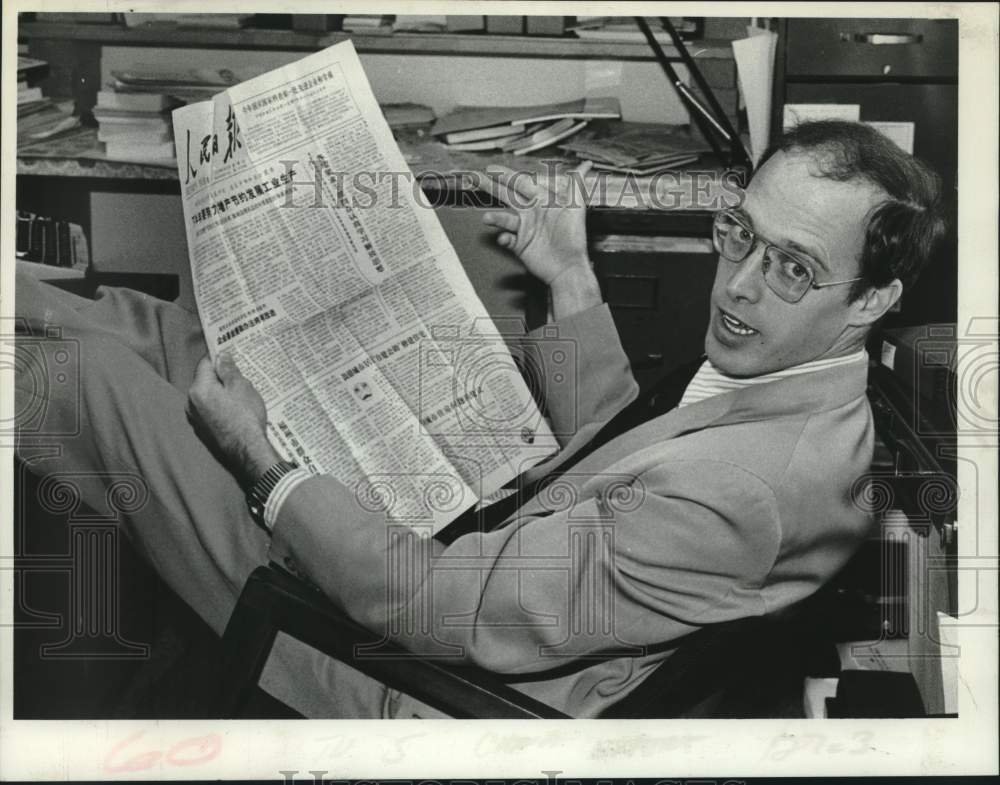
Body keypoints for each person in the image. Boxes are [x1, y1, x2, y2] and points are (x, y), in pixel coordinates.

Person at [13, 120, 944, 718]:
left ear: (873, 298)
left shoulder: (748, 492)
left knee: (86, 377)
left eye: (791, 265)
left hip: (393, 664)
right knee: (171, 332)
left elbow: (435, 606)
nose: (739, 283)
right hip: (474, 557)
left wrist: (263, 465)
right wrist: (571, 281)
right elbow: (630, 447)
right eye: (740, 231)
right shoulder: (803, 387)